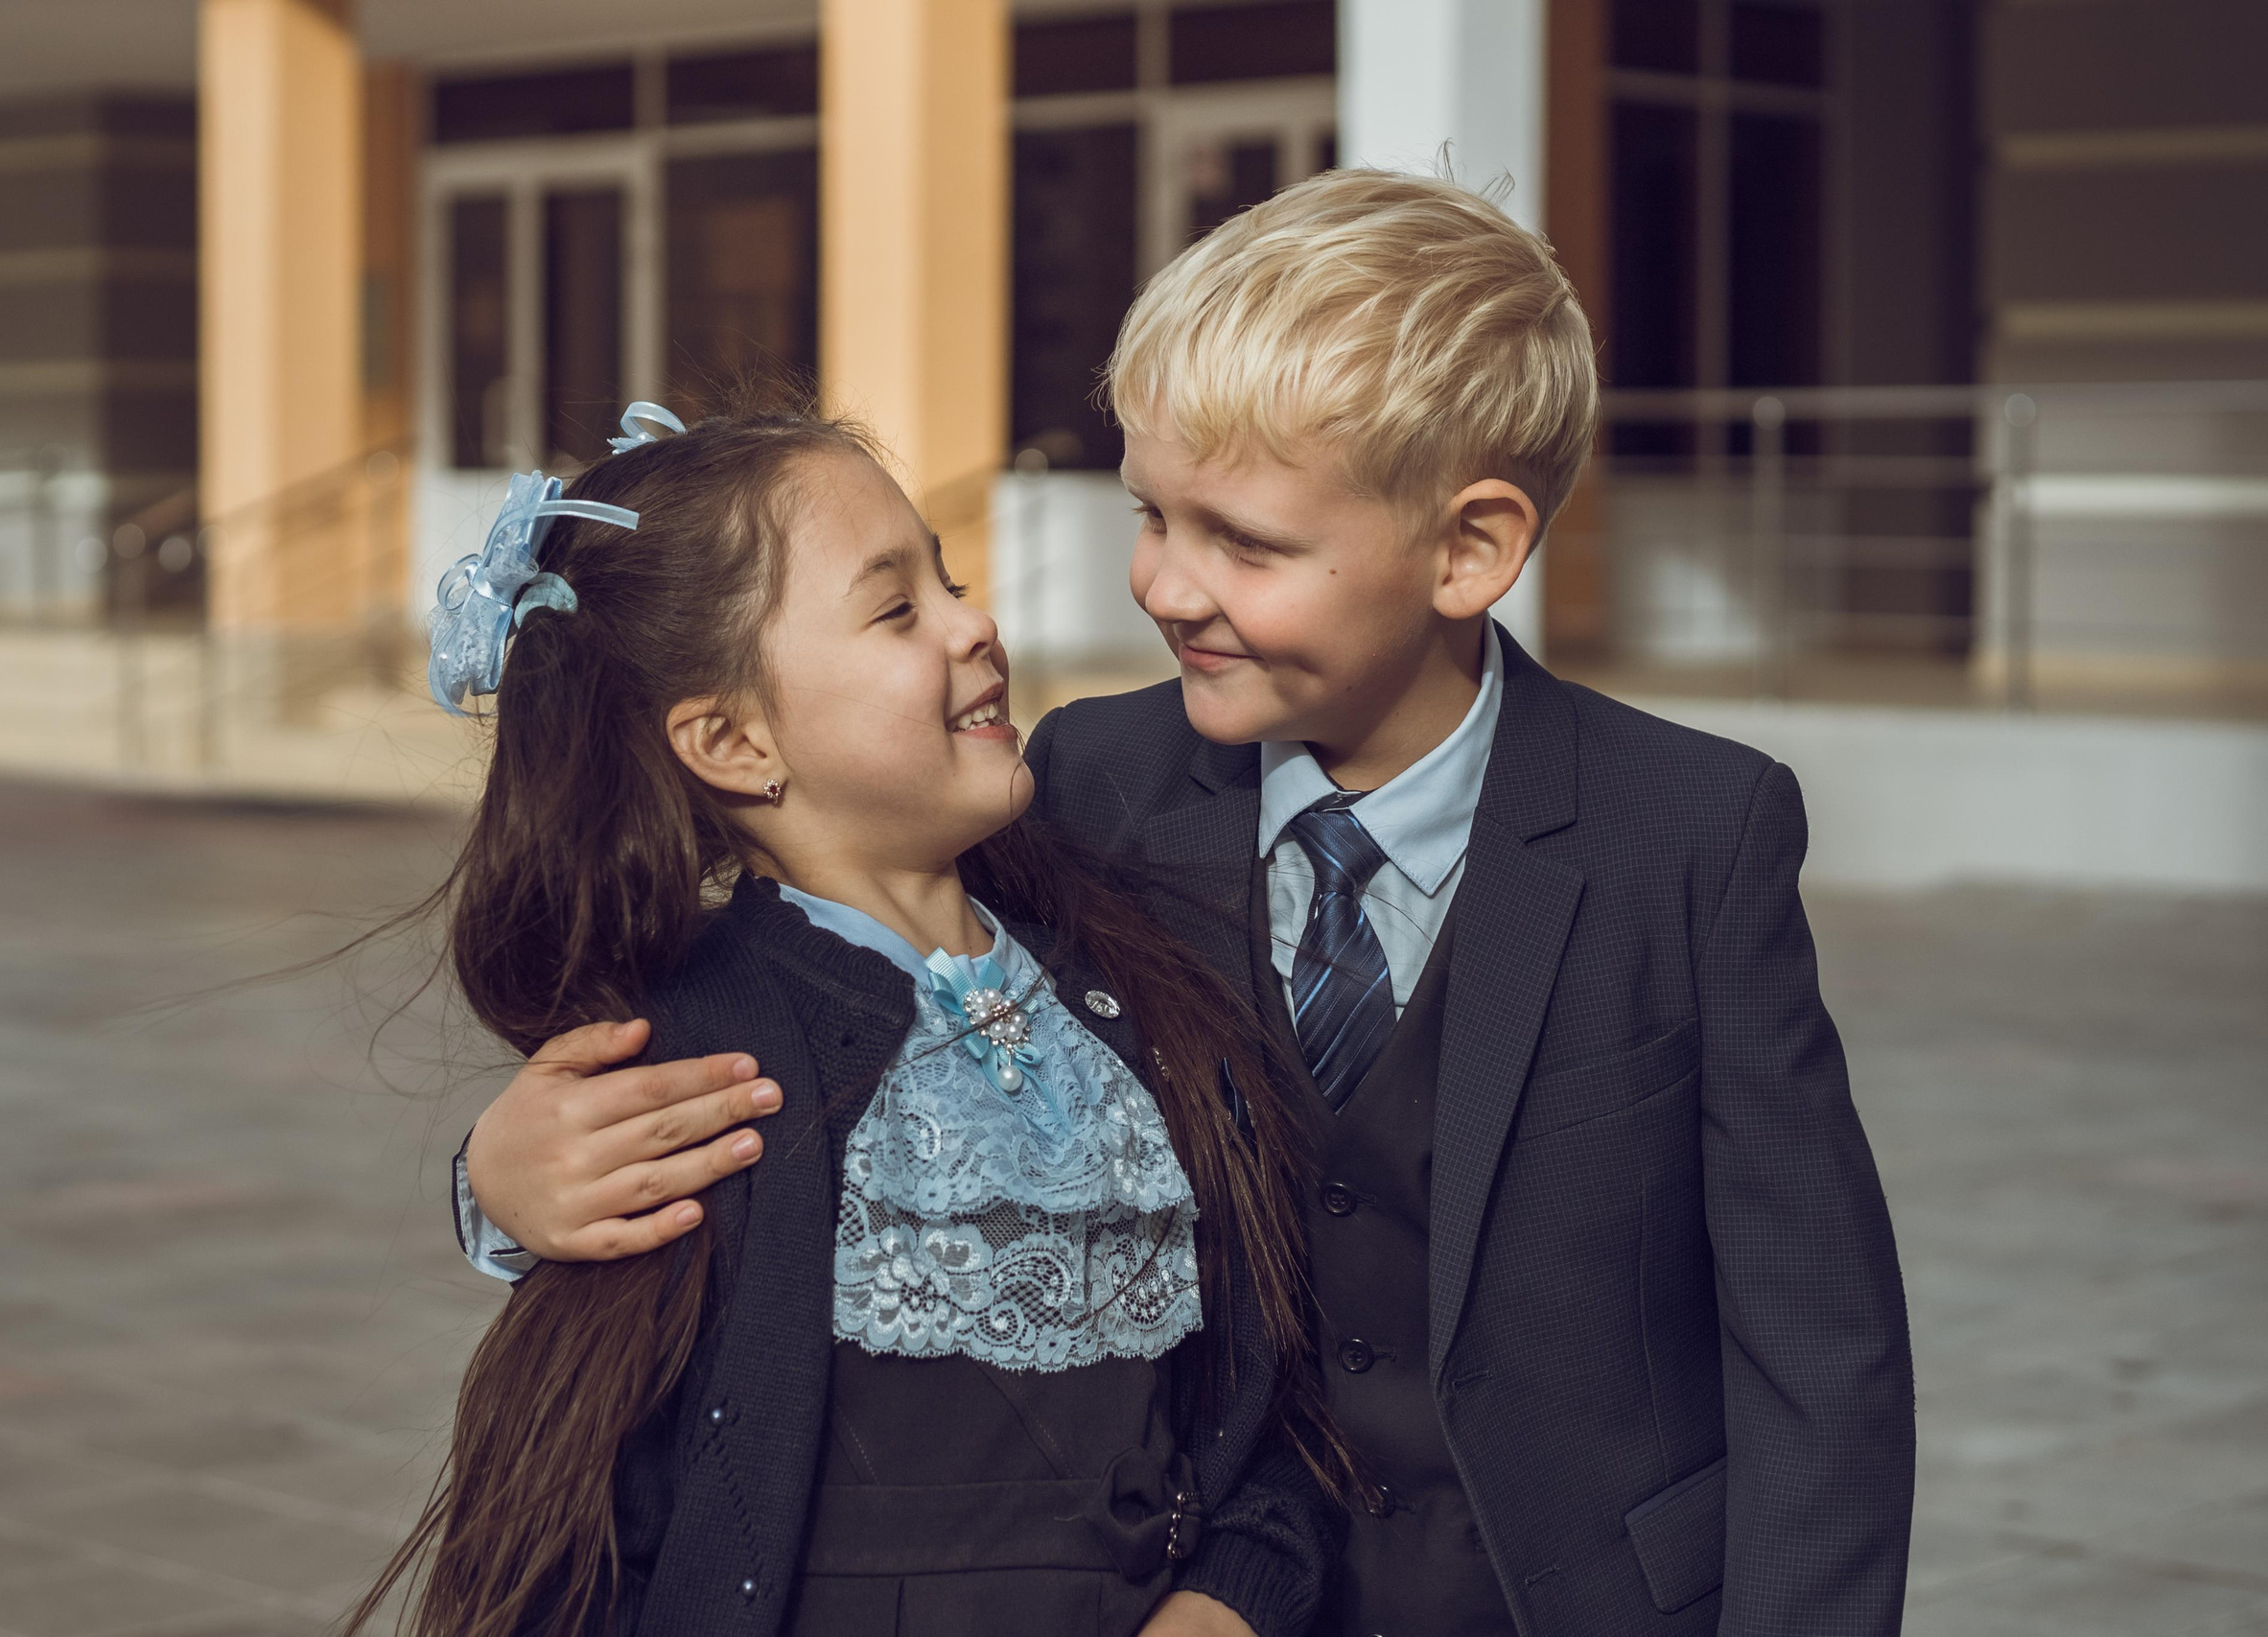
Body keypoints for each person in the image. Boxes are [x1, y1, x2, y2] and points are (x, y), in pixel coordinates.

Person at [456, 172, 1915, 1637]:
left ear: (1469, 549)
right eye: (1151, 512)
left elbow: (1818, 1339)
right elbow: (820, 991)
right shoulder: (1088, 783)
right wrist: (497, 1187)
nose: (1165, 582)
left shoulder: (1691, 831)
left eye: (1246, 542)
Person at [347, 405, 1342, 1637]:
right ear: (731, 738)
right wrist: (495, 1202)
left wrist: (1230, 1599)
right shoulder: (697, 1074)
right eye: (896, 608)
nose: (976, 622)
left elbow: (1273, 1413)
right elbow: (603, 1533)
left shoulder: (1137, 984)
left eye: (952, 578)